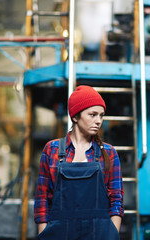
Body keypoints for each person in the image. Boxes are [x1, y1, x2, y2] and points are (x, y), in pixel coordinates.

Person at [34, 85, 124, 240]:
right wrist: (44, 234)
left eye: (101, 115)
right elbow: (42, 199)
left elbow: (117, 199)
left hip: (99, 235)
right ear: (75, 116)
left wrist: (112, 234)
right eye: (92, 114)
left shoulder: (108, 153)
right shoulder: (52, 150)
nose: (98, 121)